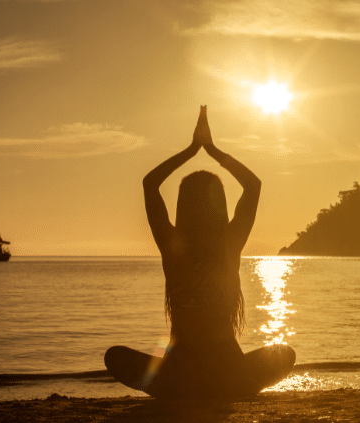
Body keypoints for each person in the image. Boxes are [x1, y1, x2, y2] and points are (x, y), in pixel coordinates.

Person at [104, 106, 295, 398]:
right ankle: (232, 387)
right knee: (284, 353)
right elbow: (253, 185)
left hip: (180, 371)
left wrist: (192, 150)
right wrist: (213, 150)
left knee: (115, 356)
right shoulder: (230, 243)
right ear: (219, 206)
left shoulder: (171, 244)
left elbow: (150, 183)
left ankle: (171, 384)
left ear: (183, 206)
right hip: (227, 371)